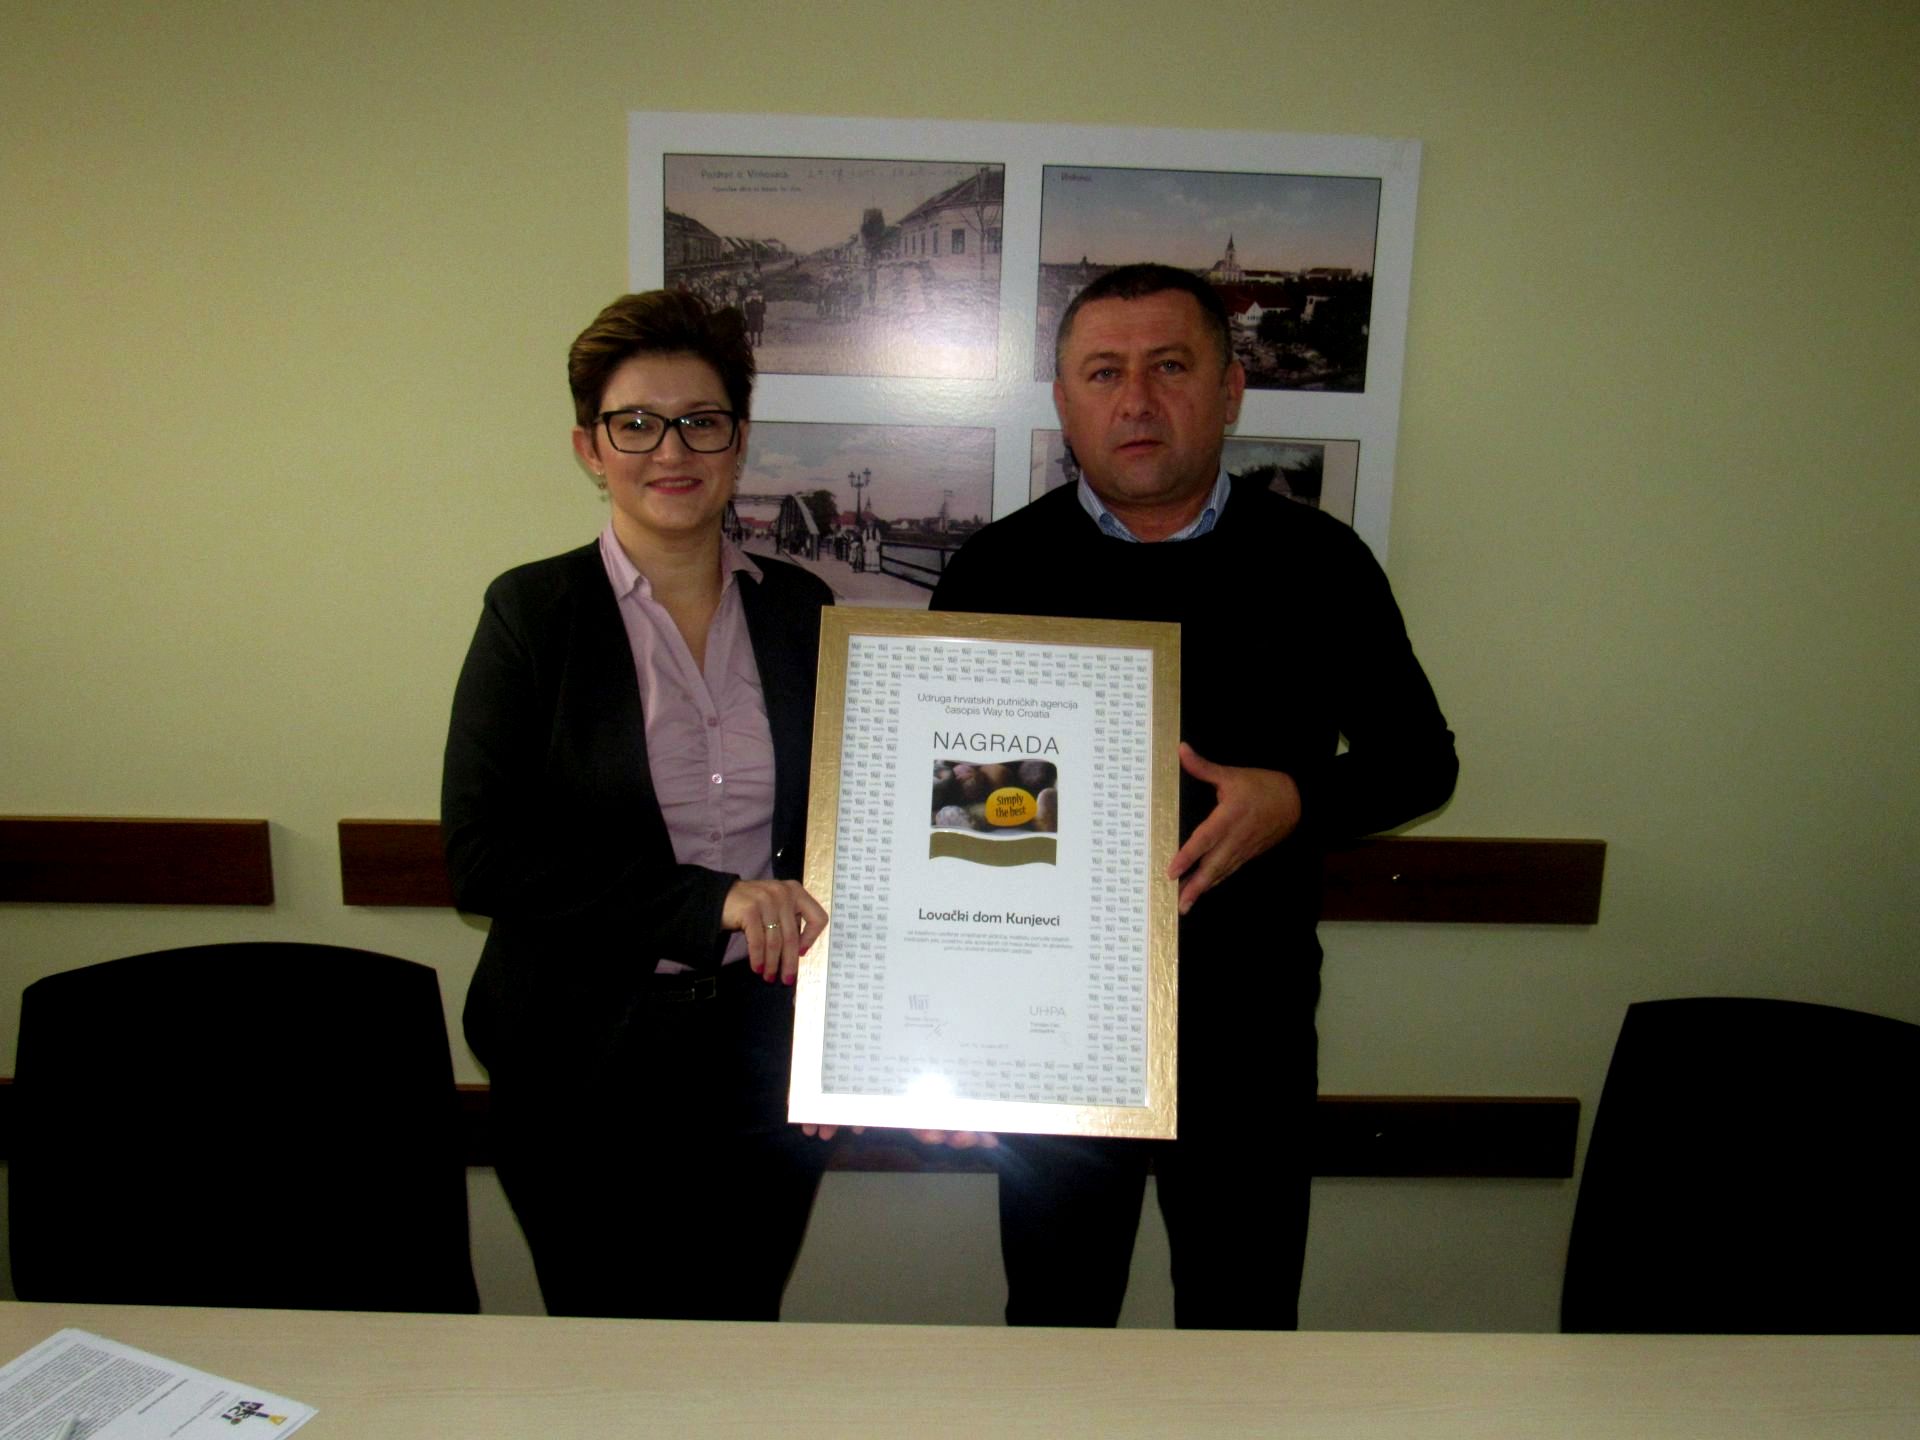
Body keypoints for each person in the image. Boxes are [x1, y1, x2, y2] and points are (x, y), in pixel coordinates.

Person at [929, 263, 1457, 1329]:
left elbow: (1420, 762)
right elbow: (943, 813)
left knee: (1243, 1330)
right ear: (1064, 401)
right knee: (1056, 1325)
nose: (1136, 400)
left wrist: (1296, 798)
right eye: (1103, 373)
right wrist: (944, 1025)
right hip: (1051, 1028)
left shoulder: (1319, 560)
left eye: (1169, 367)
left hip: (1249, 1030)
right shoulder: (997, 569)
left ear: (1230, 391)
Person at [442, 290, 839, 1321]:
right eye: (636, 423)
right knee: (606, 1354)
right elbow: (482, 857)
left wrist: (855, 1042)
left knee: (740, 1333)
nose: (672, 450)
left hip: (763, 1055)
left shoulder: (804, 612)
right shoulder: (532, 613)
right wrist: (709, 901)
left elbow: (851, 830)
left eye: (701, 421)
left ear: (738, 442)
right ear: (591, 447)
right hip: (580, 1061)